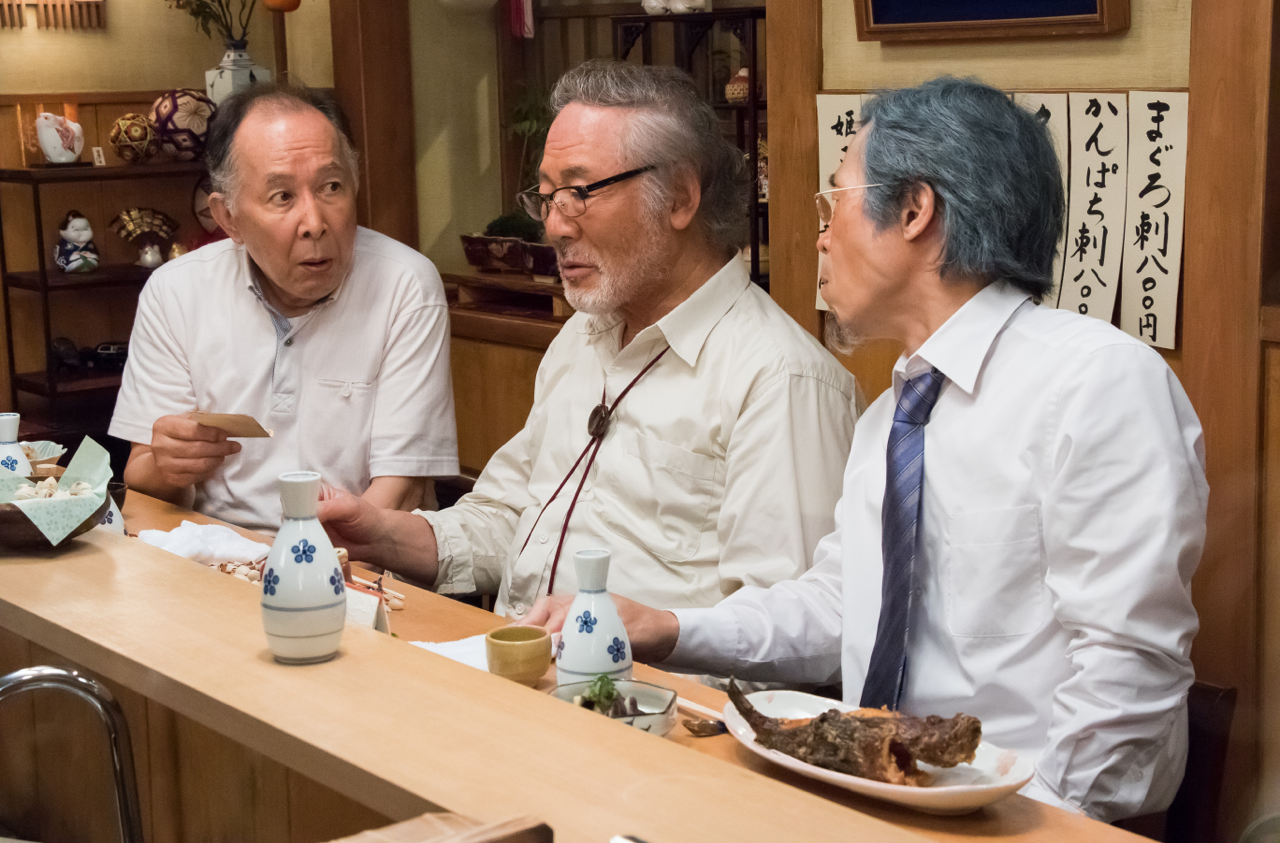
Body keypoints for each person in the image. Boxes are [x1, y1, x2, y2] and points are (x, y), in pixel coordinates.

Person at [522, 77, 1207, 822]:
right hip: (872, 795)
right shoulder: (895, 413)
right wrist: (669, 626)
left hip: (1026, 816)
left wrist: (1032, 823)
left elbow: (1126, 674)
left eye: (835, 204)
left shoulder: (1095, 381)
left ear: (914, 211)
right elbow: (837, 605)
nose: (820, 238)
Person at [317, 60, 861, 621]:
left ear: (679, 197)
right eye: (546, 197)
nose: (555, 225)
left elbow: (794, 625)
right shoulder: (583, 334)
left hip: (638, 678)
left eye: (578, 192)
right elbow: (512, 520)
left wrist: (640, 633)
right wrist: (379, 533)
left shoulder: (781, 379)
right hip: (513, 657)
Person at [110, 83, 458, 533]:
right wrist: (168, 464)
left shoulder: (405, 285)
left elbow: (402, 492)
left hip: (354, 555)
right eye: (283, 197)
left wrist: (294, 563)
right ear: (228, 218)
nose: (314, 223)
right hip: (214, 553)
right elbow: (142, 479)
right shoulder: (175, 290)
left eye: (331, 187)